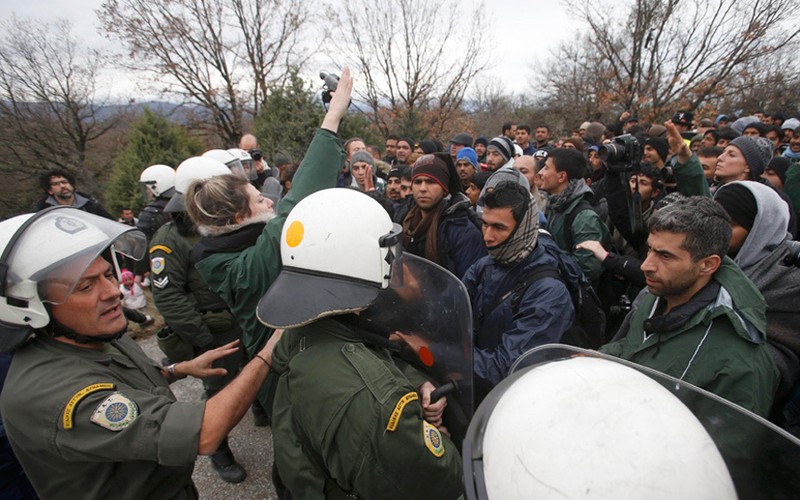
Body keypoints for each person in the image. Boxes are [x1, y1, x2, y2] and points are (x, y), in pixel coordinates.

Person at [0, 208, 281, 499]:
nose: (113, 292)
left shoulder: (92, 335)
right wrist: (267, 353)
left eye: (108, 275)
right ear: (30, 305)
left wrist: (179, 369)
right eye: (84, 286)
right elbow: (206, 432)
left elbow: (124, 386)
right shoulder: (54, 394)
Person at [256, 188, 463, 499]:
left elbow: (366, 353)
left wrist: (418, 382)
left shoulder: (306, 323)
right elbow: (441, 480)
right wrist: (438, 438)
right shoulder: (377, 408)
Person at [183, 68, 354, 415]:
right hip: (285, 383)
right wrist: (332, 118)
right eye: (259, 201)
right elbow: (292, 211)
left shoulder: (231, 249)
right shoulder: (241, 268)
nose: (270, 202)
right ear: (236, 219)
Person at [600, 196, 779, 417]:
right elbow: (634, 347)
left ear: (707, 265)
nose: (646, 265)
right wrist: (598, 359)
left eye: (665, 256)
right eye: (650, 250)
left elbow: (726, 447)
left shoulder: (742, 363)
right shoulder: (659, 294)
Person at [151, 156, 249, 482]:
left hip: (245, 319)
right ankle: (218, 449)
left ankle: (261, 409)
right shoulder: (171, 240)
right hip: (215, 331)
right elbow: (168, 296)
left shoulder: (226, 222)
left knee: (258, 373)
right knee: (219, 389)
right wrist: (203, 339)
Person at [463, 182, 574, 399]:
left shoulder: (550, 293)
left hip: (520, 400)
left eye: (499, 228)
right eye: (484, 224)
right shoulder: (484, 265)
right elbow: (452, 311)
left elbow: (508, 367)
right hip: (474, 388)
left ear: (523, 227)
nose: (487, 236)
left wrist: (447, 356)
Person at [713, 181, 800, 425]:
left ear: (759, 230)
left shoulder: (790, 280)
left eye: (730, 225)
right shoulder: (706, 261)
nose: (718, 234)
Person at [401, 153, 486, 278]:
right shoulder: (405, 218)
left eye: (431, 182)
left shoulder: (462, 229)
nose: (423, 188)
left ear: (444, 188)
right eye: (418, 182)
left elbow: (469, 283)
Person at [538, 148, 611, 288]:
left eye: (546, 168)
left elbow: (588, 267)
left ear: (561, 177)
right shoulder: (555, 205)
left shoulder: (584, 218)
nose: (540, 173)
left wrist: (547, 258)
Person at [34, 168, 113, 219]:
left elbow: (109, 223)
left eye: (64, 182)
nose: (62, 186)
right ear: (49, 190)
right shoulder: (42, 209)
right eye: (56, 184)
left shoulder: (90, 203)